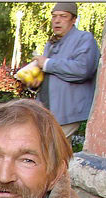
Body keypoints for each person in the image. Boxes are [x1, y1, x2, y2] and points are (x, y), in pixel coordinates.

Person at [30, 2, 100, 139]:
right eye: (54, 16)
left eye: (63, 16)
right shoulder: (51, 43)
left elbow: (82, 69)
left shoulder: (84, 38)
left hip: (67, 112)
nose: (57, 20)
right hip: (46, 109)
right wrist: (34, 82)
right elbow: (50, 73)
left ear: (74, 19)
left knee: (53, 154)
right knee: (48, 153)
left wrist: (48, 63)